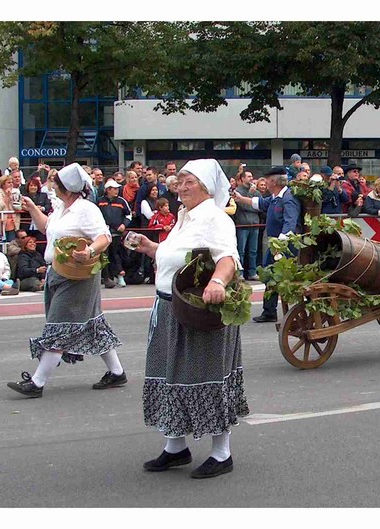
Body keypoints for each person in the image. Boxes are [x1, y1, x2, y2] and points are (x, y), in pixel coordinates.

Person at [127, 159, 249, 479]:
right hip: (169, 308)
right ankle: (175, 447)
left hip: (198, 311)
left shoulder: (213, 217)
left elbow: (227, 258)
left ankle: (222, 453)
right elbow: (176, 259)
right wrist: (151, 247)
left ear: (206, 187)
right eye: (179, 181)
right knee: (169, 376)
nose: (179, 187)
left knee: (205, 377)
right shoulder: (184, 217)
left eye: (188, 182)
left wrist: (217, 282)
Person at [6, 163, 125, 398]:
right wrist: (31, 208)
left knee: (59, 324)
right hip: (59, 271)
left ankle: (37, 382)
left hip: (77, 274)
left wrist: (90, 251)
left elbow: (104, 237)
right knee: (90, 323)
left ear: (68, 189)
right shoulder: (61, 207)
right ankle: (117, 371)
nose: (52, 185)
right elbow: (46, 228)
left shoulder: (86, 209)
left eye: (56, 182)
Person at [233, 167, 301, 323]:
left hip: (284, 247)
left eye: (267, 180)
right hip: (276, 245)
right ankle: (269, 311)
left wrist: (279, 244)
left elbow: (290, 223)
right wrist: (241, 198)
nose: (264, 182)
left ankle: (274, 310)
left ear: (273, 182)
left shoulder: (288, 198)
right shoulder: (276, 197)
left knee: (275, 276)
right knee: (269, 276)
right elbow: (261, 203)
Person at [97, 179, 132, 288]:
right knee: (105, 255)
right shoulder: (99, 201)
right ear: (108, 190)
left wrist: (124, 225)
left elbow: (128, 215)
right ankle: (108, 278)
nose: (117, 191)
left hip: (117, 233)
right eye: (114, 189)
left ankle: (119, 275)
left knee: (115, 254)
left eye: (117, 188)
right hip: (104, 233)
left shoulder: (121, 201)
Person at [232, 166, 262, 280]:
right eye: (249, 176)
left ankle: (252, 272)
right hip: (242, 225)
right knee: (241, 251)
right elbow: (243, 205)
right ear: (243, 178)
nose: (251, 179)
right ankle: (240, 273)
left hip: (255, 224)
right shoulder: (238, 191)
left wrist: (252, 203)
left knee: (253, 251)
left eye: (252, 177)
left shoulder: (257, 192)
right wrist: (250, 196)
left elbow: (260, 206)